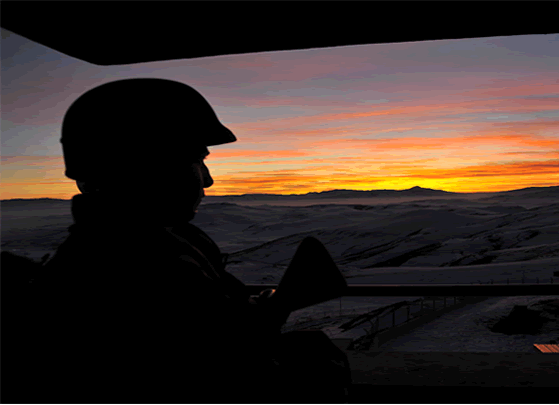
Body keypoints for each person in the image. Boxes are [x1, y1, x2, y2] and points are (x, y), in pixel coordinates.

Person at [6, 78, 350, 404]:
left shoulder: (157, 244)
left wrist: (270, 306)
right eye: (195, 160)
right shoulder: (124, 270)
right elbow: (215, 371)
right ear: (144, 166)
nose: (208, 180)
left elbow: (214, 324)